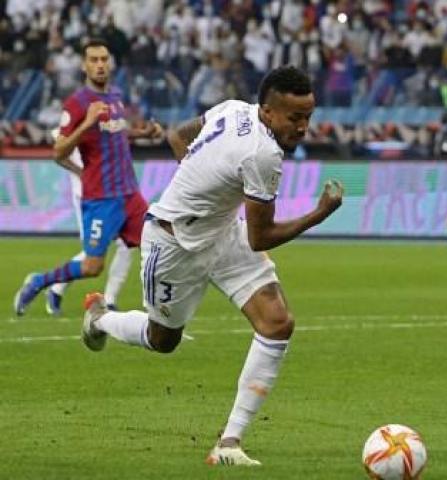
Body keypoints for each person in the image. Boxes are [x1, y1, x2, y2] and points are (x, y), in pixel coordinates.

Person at [79, 66, 344, 466]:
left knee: (276, 323)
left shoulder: (233, 107)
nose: (304, 127)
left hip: (221, 233)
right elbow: (261, 238)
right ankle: (99, 317)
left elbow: (176, 135)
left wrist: (205, 187)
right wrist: (319, 214)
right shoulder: (263, 154)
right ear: (268, 112)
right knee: (162, 340)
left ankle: (229, 443)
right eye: (295, 118)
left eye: (309, 116)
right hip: (172, 245)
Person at [13, 38, 162, 316]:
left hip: (130, 194)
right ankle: (39, 282)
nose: (100, 65)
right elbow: (59, 151)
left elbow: (116, 129)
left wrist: (141, 133)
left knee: (160, 245)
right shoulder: (77, 104)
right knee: (93, 266)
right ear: (84, 66)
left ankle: (161, 313)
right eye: (93, 60)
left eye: (104, 59)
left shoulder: (115, 96)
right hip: (101, 197)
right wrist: (86, 124)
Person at [44, 129, 133, 315]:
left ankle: (109, 301)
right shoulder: (77, 117)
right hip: (88, 196)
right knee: (91, 253)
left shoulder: (104, 118)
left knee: (126, 244)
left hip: (111, 193)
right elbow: (58, 149)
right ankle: (55, 289)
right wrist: (82, 172)